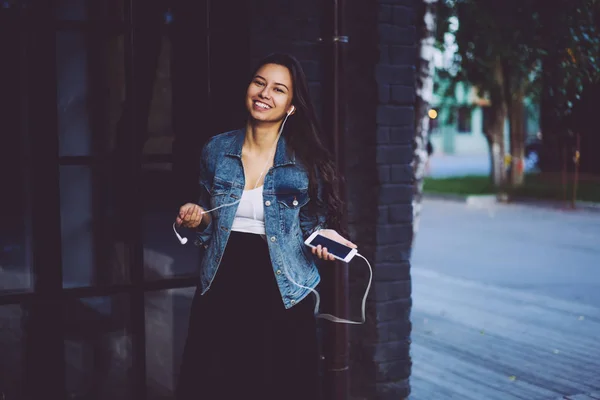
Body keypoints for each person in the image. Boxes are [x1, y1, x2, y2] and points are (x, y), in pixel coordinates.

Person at [174, 53, 356, 400]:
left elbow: (310, 227)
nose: (264, 93)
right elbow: (211, 221)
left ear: (291, 106)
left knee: (277, 386)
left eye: (278, 89)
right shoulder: (216, 150)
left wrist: (323, 240)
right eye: (259, 83)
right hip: (221, 284)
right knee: (215, 384)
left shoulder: (305, 161)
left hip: (282, 290)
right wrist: (198, 217)